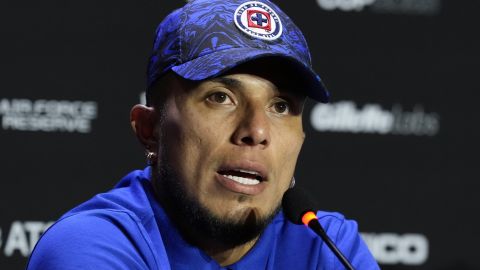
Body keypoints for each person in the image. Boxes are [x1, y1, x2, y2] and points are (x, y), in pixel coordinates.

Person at [27, 0, 380, 269]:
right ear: (151, 130)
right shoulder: (90, 246)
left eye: (281, 106)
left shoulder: (326, 245)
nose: (256, 131)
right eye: (220, 98)